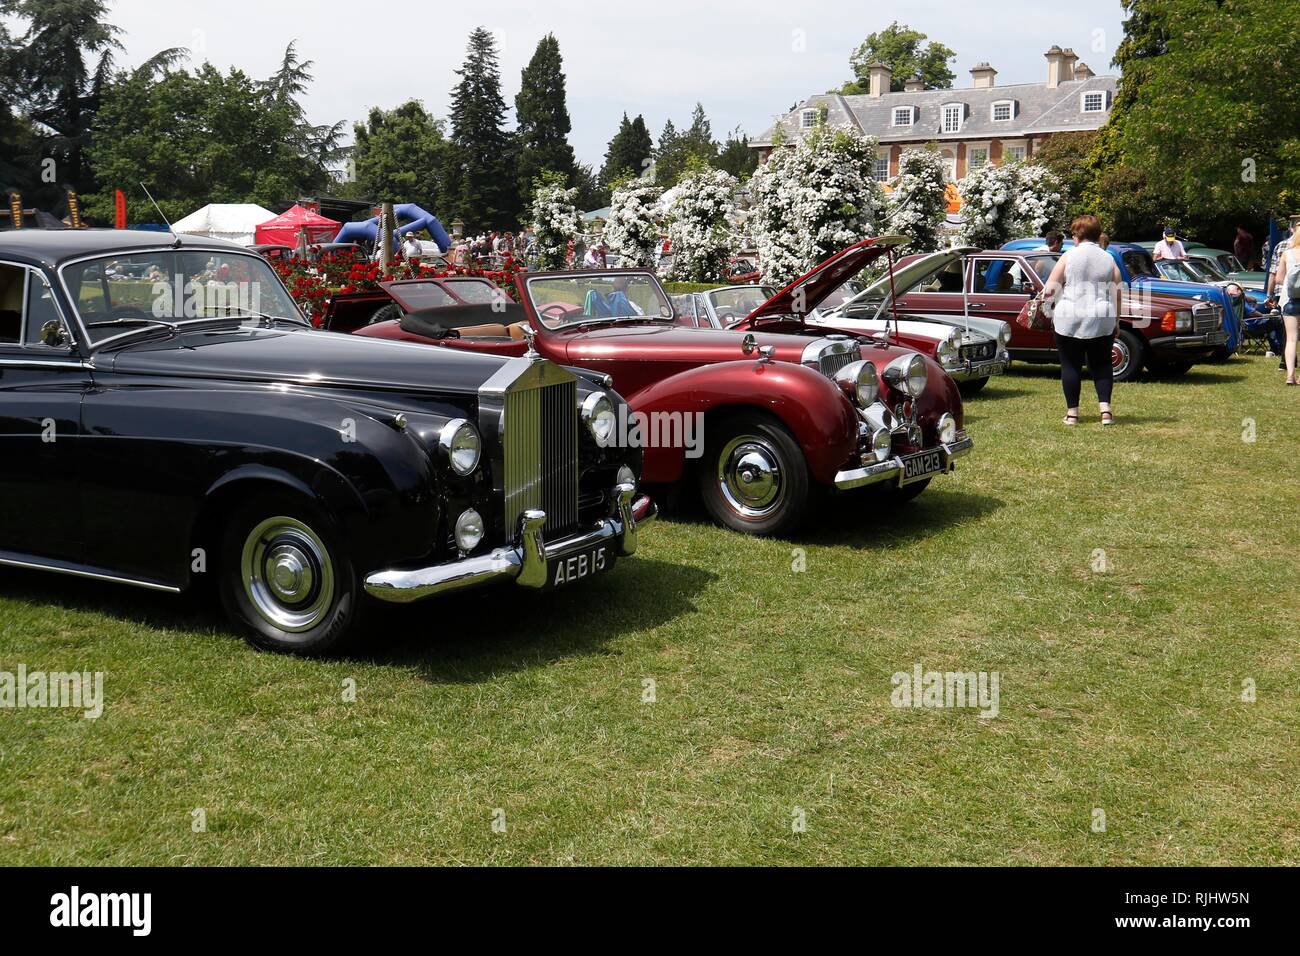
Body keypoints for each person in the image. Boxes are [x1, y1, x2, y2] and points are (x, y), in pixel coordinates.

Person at [1039, 214, 1123, 426]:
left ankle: (1073, 414)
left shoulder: (1069, 256)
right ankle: (1106, 412)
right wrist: (1117, 320)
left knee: (1070, 366)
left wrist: (1047, 305)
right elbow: (1118, 291)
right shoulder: (1108, 258)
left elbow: (1050, 288)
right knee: (1102, 364)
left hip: (1070, 317)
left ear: (1078, 234)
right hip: (1102, 317)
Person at [1270, 218, 1300, 385]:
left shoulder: (1287, 254)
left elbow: (1279, 279)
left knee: (1291, 339)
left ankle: (1290, 375)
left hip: (1292, 300)